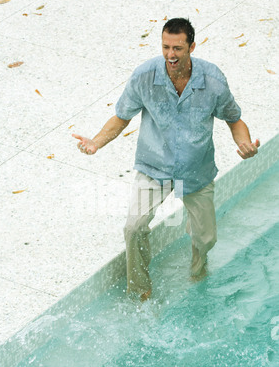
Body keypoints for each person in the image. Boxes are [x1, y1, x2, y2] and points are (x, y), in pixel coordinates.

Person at [72, 18, 260, 302]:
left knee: (206, 238)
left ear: (192, 47)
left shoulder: (213, 81)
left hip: (196, 171)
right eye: (165, 47)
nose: (171, 55)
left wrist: (244, 144)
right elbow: (122, 117)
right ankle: (140, 289)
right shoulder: (144, 76)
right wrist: (96, 142)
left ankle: (198, 272)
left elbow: (234, 120)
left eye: (178, 48)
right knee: (133, 227)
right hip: (154, 167)